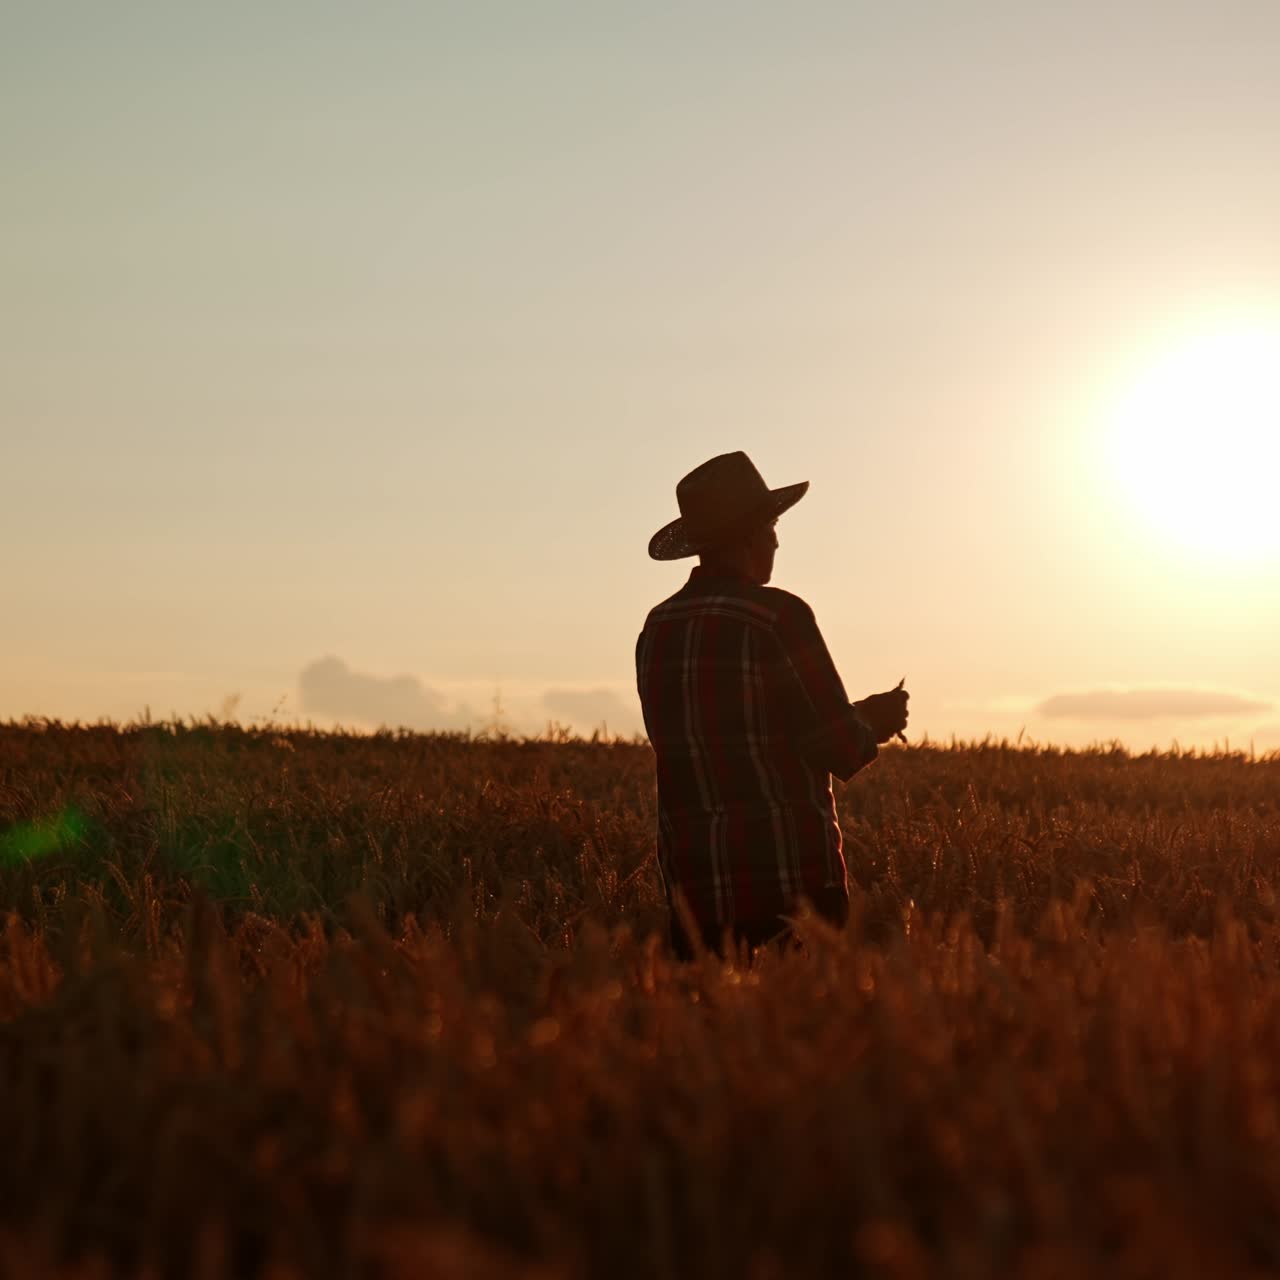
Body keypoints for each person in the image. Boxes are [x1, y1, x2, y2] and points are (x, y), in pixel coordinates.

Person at [635, 451, 909, 959]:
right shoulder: (779, 616)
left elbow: (729, 733)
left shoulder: (657, 626)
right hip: (788, 881)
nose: (778, 540)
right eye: (773, 527)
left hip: (694, 890)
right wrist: (876, 717)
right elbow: (838, 746)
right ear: (749, 537)